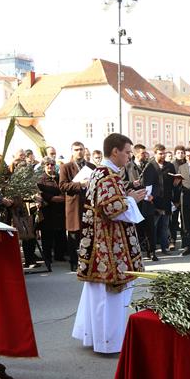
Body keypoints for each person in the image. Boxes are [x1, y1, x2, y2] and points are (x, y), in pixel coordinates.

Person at [72, 134, 147, 353]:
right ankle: (109, 342)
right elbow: (112, 209)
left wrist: (128, 195)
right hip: (110, 247)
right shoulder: (107, 176)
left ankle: (96, 337)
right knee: (110, 295)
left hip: (101, 243)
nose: (129, 157)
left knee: (97, 295)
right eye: (127, 152)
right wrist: (133, 199)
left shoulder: (101, 172)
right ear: (115, 151)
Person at [59, 141, 96, 272]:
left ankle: (88, 260)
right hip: (74, 204)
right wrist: (80, 184)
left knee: (88, 232)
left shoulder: (91, 166)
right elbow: (63, 186)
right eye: (76, 150)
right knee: (74, 234)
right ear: (72, 151)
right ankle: (74, 262)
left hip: (88, 204)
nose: (79, 152)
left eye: (81, 149)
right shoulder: (66, 167)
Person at [123, 144, 159, 261]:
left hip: (148, 203)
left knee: (151, 229)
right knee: (136, 230)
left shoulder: (151, 166)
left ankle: (152, 252)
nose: (145, 155)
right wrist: (132, 184)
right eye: (142, 153)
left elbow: (158, 184)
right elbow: (122, 183)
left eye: (145, 153)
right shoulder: (127, 166)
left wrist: (153, 195)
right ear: (135, 153)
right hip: (135, 204)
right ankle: (136, 254)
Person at [37, 157, 67, 270]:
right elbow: (41, 193)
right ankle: (47, 257)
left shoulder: (59, 178)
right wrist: (52, 198)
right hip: (48, 210)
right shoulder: (41, 179)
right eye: (47, 164)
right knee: (47, 235)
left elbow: (64, 189)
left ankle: (59, 255)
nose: (50, 166)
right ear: (44, 166)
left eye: (52, 164)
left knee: (60, 233)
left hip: (59, 210)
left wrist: (62, 198)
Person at [150, 144, 176, 255]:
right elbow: (146, 183)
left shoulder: (170, 166)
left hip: (166, 200)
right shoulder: (150, 166)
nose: (163, 155)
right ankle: (152, 250)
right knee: (153, 226)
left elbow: (173, 183)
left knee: (165, 226)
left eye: (164, 153)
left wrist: (176, 183)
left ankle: (164, 248)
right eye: (160, 153)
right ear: (155, 153)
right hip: (153, 201)